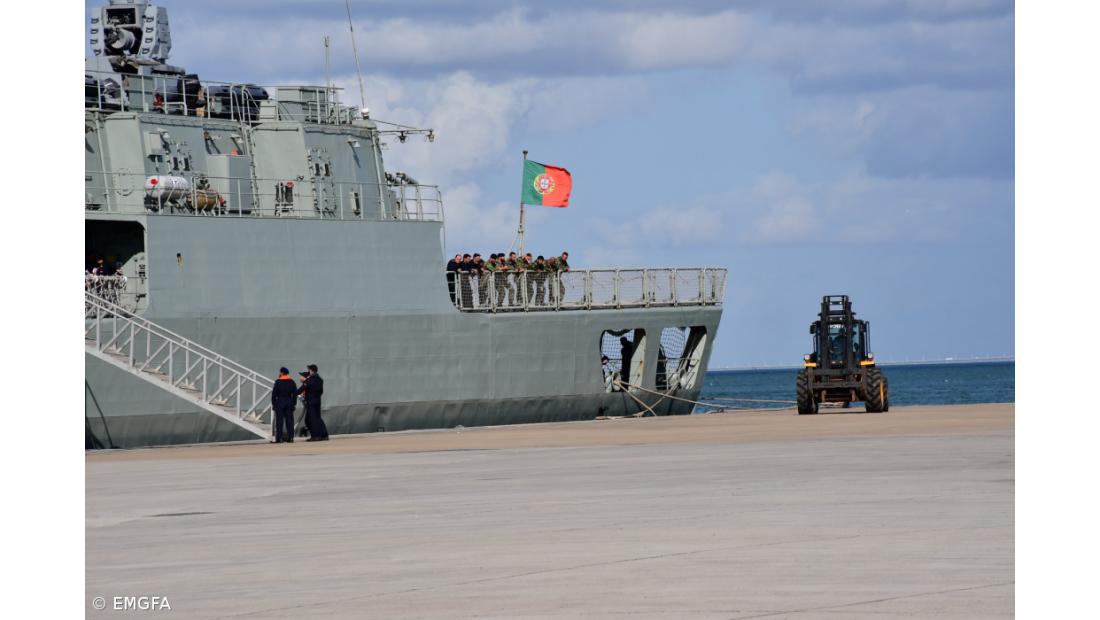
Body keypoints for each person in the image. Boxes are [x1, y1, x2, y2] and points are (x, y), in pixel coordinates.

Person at [297, 364, 328, 441]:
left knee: (312, 419)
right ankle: (324, 435)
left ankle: (316, 436)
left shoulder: (309, 380)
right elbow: (321, 391)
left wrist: (291, 393)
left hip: (311, 401)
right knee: (318, 418)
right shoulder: (320, 380)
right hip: (318, 401)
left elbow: (300, 390)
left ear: (311, 371)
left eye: (309, 370)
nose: (308, 371)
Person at [270, 367, 297, 443]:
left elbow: (274, 394)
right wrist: (294, 403)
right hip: (289, 402)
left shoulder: (278, 382)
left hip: (280, 402)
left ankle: (279, 438)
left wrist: (274, 403)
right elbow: (294, 394)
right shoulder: (292, 382)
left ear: (281, 373)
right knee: (290, 421)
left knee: (279, 421)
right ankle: (291, 438)